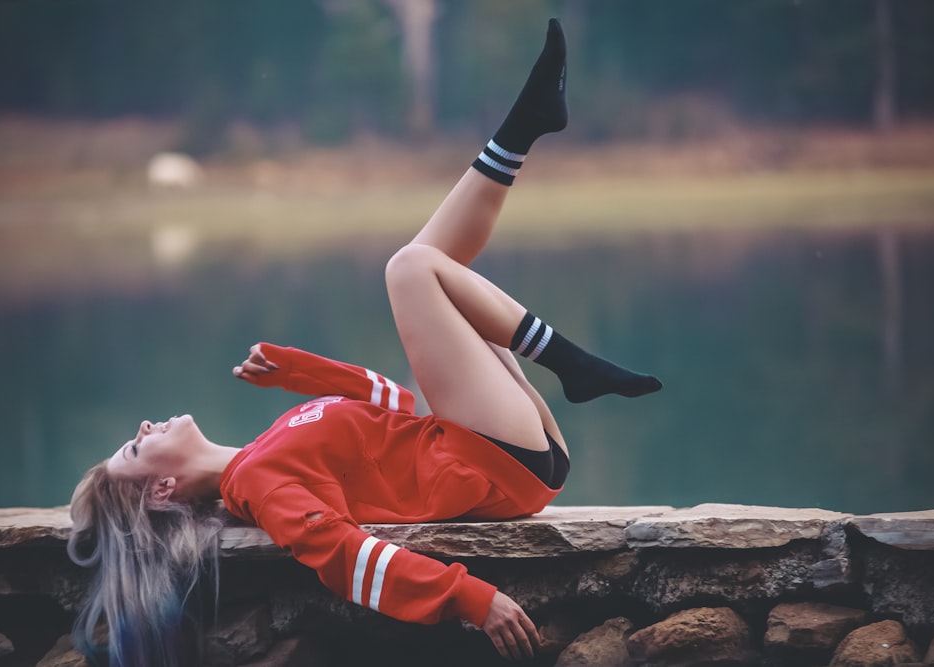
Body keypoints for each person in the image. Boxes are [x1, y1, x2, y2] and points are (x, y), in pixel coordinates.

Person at [67, 18, 661, 666]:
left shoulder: (264, 452)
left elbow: (393, 405)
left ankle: (527, 123)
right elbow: (352, 560)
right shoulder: (263, 487)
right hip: (491, 457)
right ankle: (571, 363)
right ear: (161, 492)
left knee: (424, 257)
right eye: (136, 444)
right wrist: (468, 596)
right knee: (408, 269)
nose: (146, 425)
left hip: (494, 449)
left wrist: (296, 371)